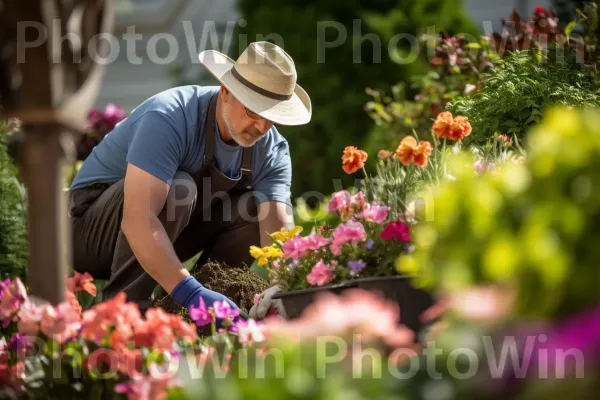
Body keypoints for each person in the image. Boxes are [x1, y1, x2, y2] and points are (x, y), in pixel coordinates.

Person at [68, 42, 310, 317]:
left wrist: (284, 286)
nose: (261, 127)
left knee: (253, 209)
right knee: (180, 189)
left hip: (165, 236)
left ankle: (202, 317)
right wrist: (189, 292)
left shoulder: (271, 148)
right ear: (226, 91)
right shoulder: (170, 117)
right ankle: (124, 314)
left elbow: (277, 232)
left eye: (272, 118)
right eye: (254, 111)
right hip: (87, 233)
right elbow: (138, 219)